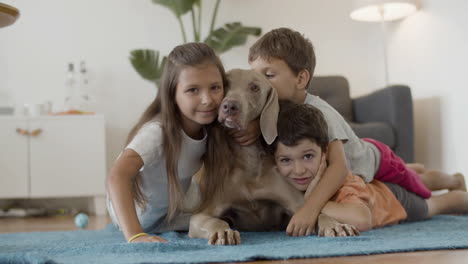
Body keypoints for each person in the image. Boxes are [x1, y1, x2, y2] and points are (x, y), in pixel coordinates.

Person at [247, 27, 462, 236]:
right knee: (410, 177)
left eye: (268, 75)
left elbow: (339, 168)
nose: (259, 84)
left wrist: (310, 208)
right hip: (358, 161)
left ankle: (452, 181)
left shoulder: (320, 113)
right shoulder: (275, 110)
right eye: (255, 76)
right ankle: (415, 170)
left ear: (301, 79)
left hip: (374, 160)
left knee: (416, 183)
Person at [272, 101, 468, 234]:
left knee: (435, 204)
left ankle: (456, 183)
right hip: (373, 184)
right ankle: (417, 171)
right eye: (286, 160)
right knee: (415, 177)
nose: (298, 170)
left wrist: (312, 203)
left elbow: (362, 219)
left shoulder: (342, 184)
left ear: (324, 153)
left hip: (393, 202)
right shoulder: (284, 181)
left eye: (307, 156)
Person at [106, 42, 227, 243]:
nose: (207, 99)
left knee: (221, 221)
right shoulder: (157, 133)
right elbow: (116, 176)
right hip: (136, 218)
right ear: (172, 94)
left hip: (169, 213)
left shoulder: (212, 128)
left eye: (215, 87)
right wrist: (136, 236)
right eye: (193, 90)